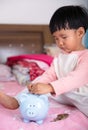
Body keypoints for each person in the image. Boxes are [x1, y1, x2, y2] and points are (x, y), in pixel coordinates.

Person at [0, 5, 88, 116]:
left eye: (64, 37)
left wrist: (50, 87)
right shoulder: (60, 56)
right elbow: (50, 75)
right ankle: (16, 101)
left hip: (83, 96)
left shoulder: (86, 56)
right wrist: (37, 85)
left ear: (80, 33)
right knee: (38, 84)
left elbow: (75, 79)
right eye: (56, 38)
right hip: (65, 93)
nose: (59, 43)